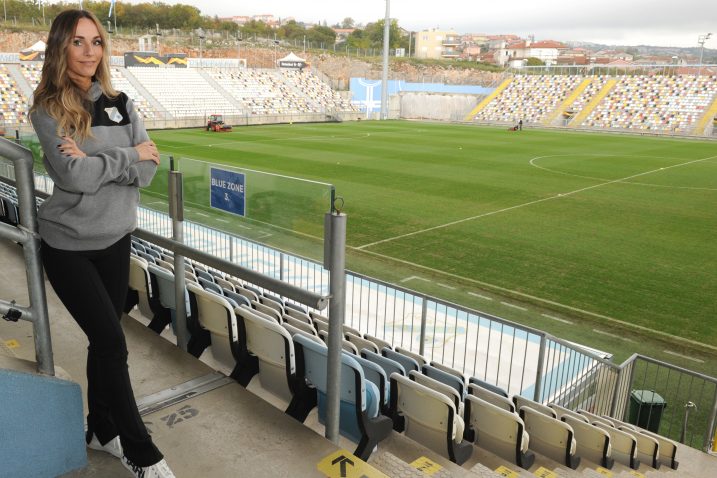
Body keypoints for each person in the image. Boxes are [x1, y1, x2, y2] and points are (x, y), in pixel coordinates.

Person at [29, 10, 174, 478]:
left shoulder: (120, 102)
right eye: (78, 42)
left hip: (115, 238)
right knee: (113, 343)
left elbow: (149, 172)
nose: (90, 52)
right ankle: (141, 451)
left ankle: (101, 429)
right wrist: (129, 154)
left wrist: (99, 163)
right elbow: (74, 176)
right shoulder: (47, 109)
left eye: (96, 41)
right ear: (60, 48)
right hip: (68, 245)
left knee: (102, 342)